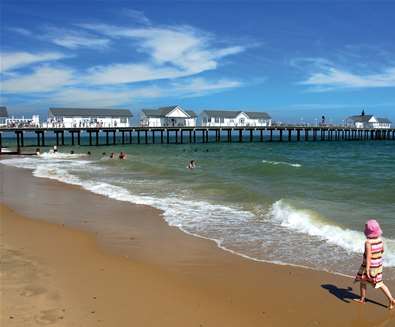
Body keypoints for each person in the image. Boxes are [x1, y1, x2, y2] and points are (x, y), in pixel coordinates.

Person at [354, 219, 395, 309]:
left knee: (363, 281)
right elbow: (382, 250)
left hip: (369, 266)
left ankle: (363, 299)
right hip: (378, 265)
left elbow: (368, 256)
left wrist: (367, 269)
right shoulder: (380, 240)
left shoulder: (368, 242)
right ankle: (391, 299)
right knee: (379, 283)